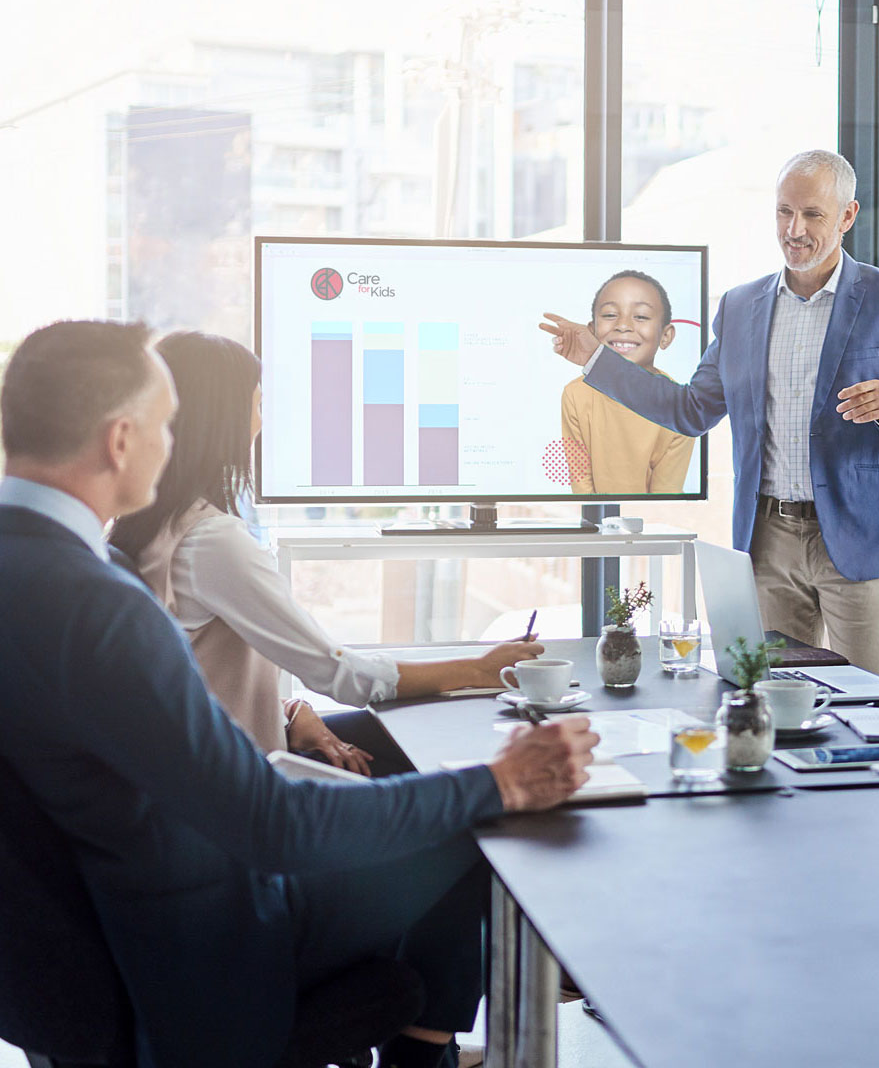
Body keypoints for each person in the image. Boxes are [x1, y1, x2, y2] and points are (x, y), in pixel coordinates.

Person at [0, 319, 598, 1068]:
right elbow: (270, 824)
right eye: (163, 424)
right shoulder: (99, 606)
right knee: (474, 823)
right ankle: (426, 1056)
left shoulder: (43, 575)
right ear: (121, 440)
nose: (170, 441)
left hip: (80, 955)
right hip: (202, 942)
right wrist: (498, 780)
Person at [542, 149, 879, 679]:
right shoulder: (740, 306)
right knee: (771, 696)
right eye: (784, 212)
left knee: (869, 701)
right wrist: (596, 359)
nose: (794, 229)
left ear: (848, 216)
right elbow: (689, 410)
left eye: (812, 215)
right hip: (768, 539)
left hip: (858, 539)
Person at [110, 331, 542, 773]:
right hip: (242, 784)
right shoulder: (211, 543)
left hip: (198, 762)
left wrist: (289, 711)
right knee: (463, 763)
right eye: (258, 406)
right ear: (223, 419)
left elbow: (191, 676)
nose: (263, 421)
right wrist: (478, 670)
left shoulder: (145, 527)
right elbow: (340, 675)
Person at [558, 269, 695, 494]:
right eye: (610, 315)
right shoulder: (576, 394)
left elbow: (666, 495)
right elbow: (580, 483)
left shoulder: (676, 403)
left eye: (640, 316)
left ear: (666, 336)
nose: (623, 326)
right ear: (591, 332)